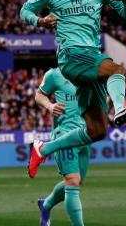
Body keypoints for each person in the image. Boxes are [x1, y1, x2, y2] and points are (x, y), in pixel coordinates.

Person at [20, 0, 126, 178]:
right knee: (116, 68)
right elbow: (25, 11)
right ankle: (120, 107)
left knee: (97, 130)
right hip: (71, 56)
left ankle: (43, 148)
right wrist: (39, 21)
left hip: (90, 56)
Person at [35, 68, 90, 226]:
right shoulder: (54, 74)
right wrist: (50, 106)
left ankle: (46, 205)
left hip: (85, 135)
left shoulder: (88, 74)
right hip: (64, 134)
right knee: (72, 180)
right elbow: (39, 95)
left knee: (77, 181)